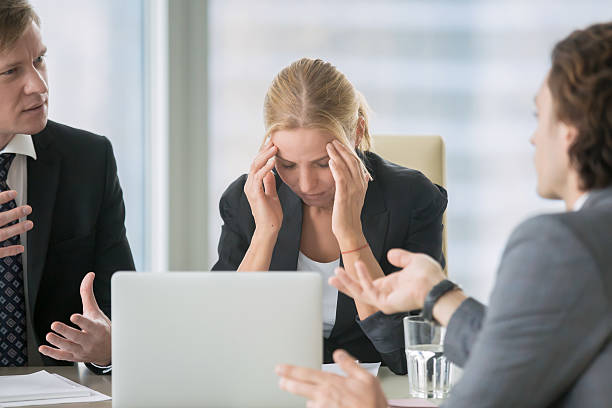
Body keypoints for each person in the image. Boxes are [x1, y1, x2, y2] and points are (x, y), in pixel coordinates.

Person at [276, 22, 612, 407]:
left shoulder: (562, 243)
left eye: (539, 116)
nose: (534, 137)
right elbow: (516, 352)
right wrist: (438, 294)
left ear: (568, 132)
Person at [213, 58, 447, 374]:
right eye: (288, 165)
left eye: (323, 163)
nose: (306, 184)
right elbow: (222, 339)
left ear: (356, 133)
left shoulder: (413, 199)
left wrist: (351, 235)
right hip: (275, 382)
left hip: (373, 385)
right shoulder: (246, 199)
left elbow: (407, 355)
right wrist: (265, 233)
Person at [0, 0, 134, 374]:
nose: (39, 85)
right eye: (11, 71)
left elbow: (123, 311)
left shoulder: (89, 160)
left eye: (39, 60)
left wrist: (107, 349)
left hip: (57, 395)